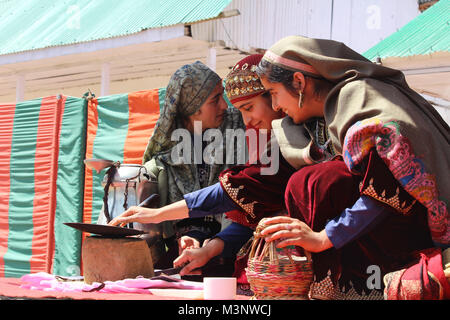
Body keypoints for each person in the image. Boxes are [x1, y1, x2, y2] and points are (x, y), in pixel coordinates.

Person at [255, 35, 450, 298]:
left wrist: (323, 238)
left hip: (414, 241)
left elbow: (387, 189)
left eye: (273, 93)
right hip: (392, 243)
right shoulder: (341, 106)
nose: (276, 106)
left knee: (318, 180)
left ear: (299, 82)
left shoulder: (359, 98)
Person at [141, 60, 246, 270]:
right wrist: (189, 236)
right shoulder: (164, 158)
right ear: (192, 107)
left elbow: (240, 194)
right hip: (183, 258)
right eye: (215, 100)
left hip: (236, 247)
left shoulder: (239, 128)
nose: (225, 105)